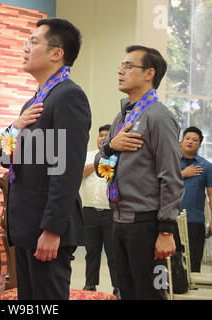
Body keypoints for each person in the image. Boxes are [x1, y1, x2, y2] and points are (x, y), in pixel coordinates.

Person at [0, 17, 91, 300]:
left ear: (56, 53)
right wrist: (15, 126)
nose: (25, 47)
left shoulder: (68, 96)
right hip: (26, 225)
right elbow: (3, 156)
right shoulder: (35, 101)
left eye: (33, 41)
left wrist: (52, 230)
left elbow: (67, 171)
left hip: (46, 230)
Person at [95, 45, 184, 300]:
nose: (120, 71)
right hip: (119, 220)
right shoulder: (121, 118)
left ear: (149, 73)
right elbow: (102, 165)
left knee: (151, 294)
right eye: (121, 66)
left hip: (146, 224)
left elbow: (171, 177)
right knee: (127, 293)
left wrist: (166, 231)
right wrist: (112, 145)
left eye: (128, 66)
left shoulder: (158, 116)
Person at [80, 124, 119, 297]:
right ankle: (90, 285)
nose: (103, 138)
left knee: (113, 253)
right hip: (89, 210)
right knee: (92, 252)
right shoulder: (87, 156)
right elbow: (79, 174)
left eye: (106, 135)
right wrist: (97, 163)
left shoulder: (117, 157)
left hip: (110, 212)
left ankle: (118, 287)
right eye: (100, 135)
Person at [178, 126, 212, 272]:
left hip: (194, 222)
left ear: (199, 145)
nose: (190, 142)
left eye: (195, 140)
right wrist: (183, 174)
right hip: (168, 220)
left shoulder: (206, 166)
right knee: (168, 263)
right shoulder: (170, 162)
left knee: (192, 266)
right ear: (181, 141)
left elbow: (211, 196)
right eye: (187, 138)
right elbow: (158, 184)